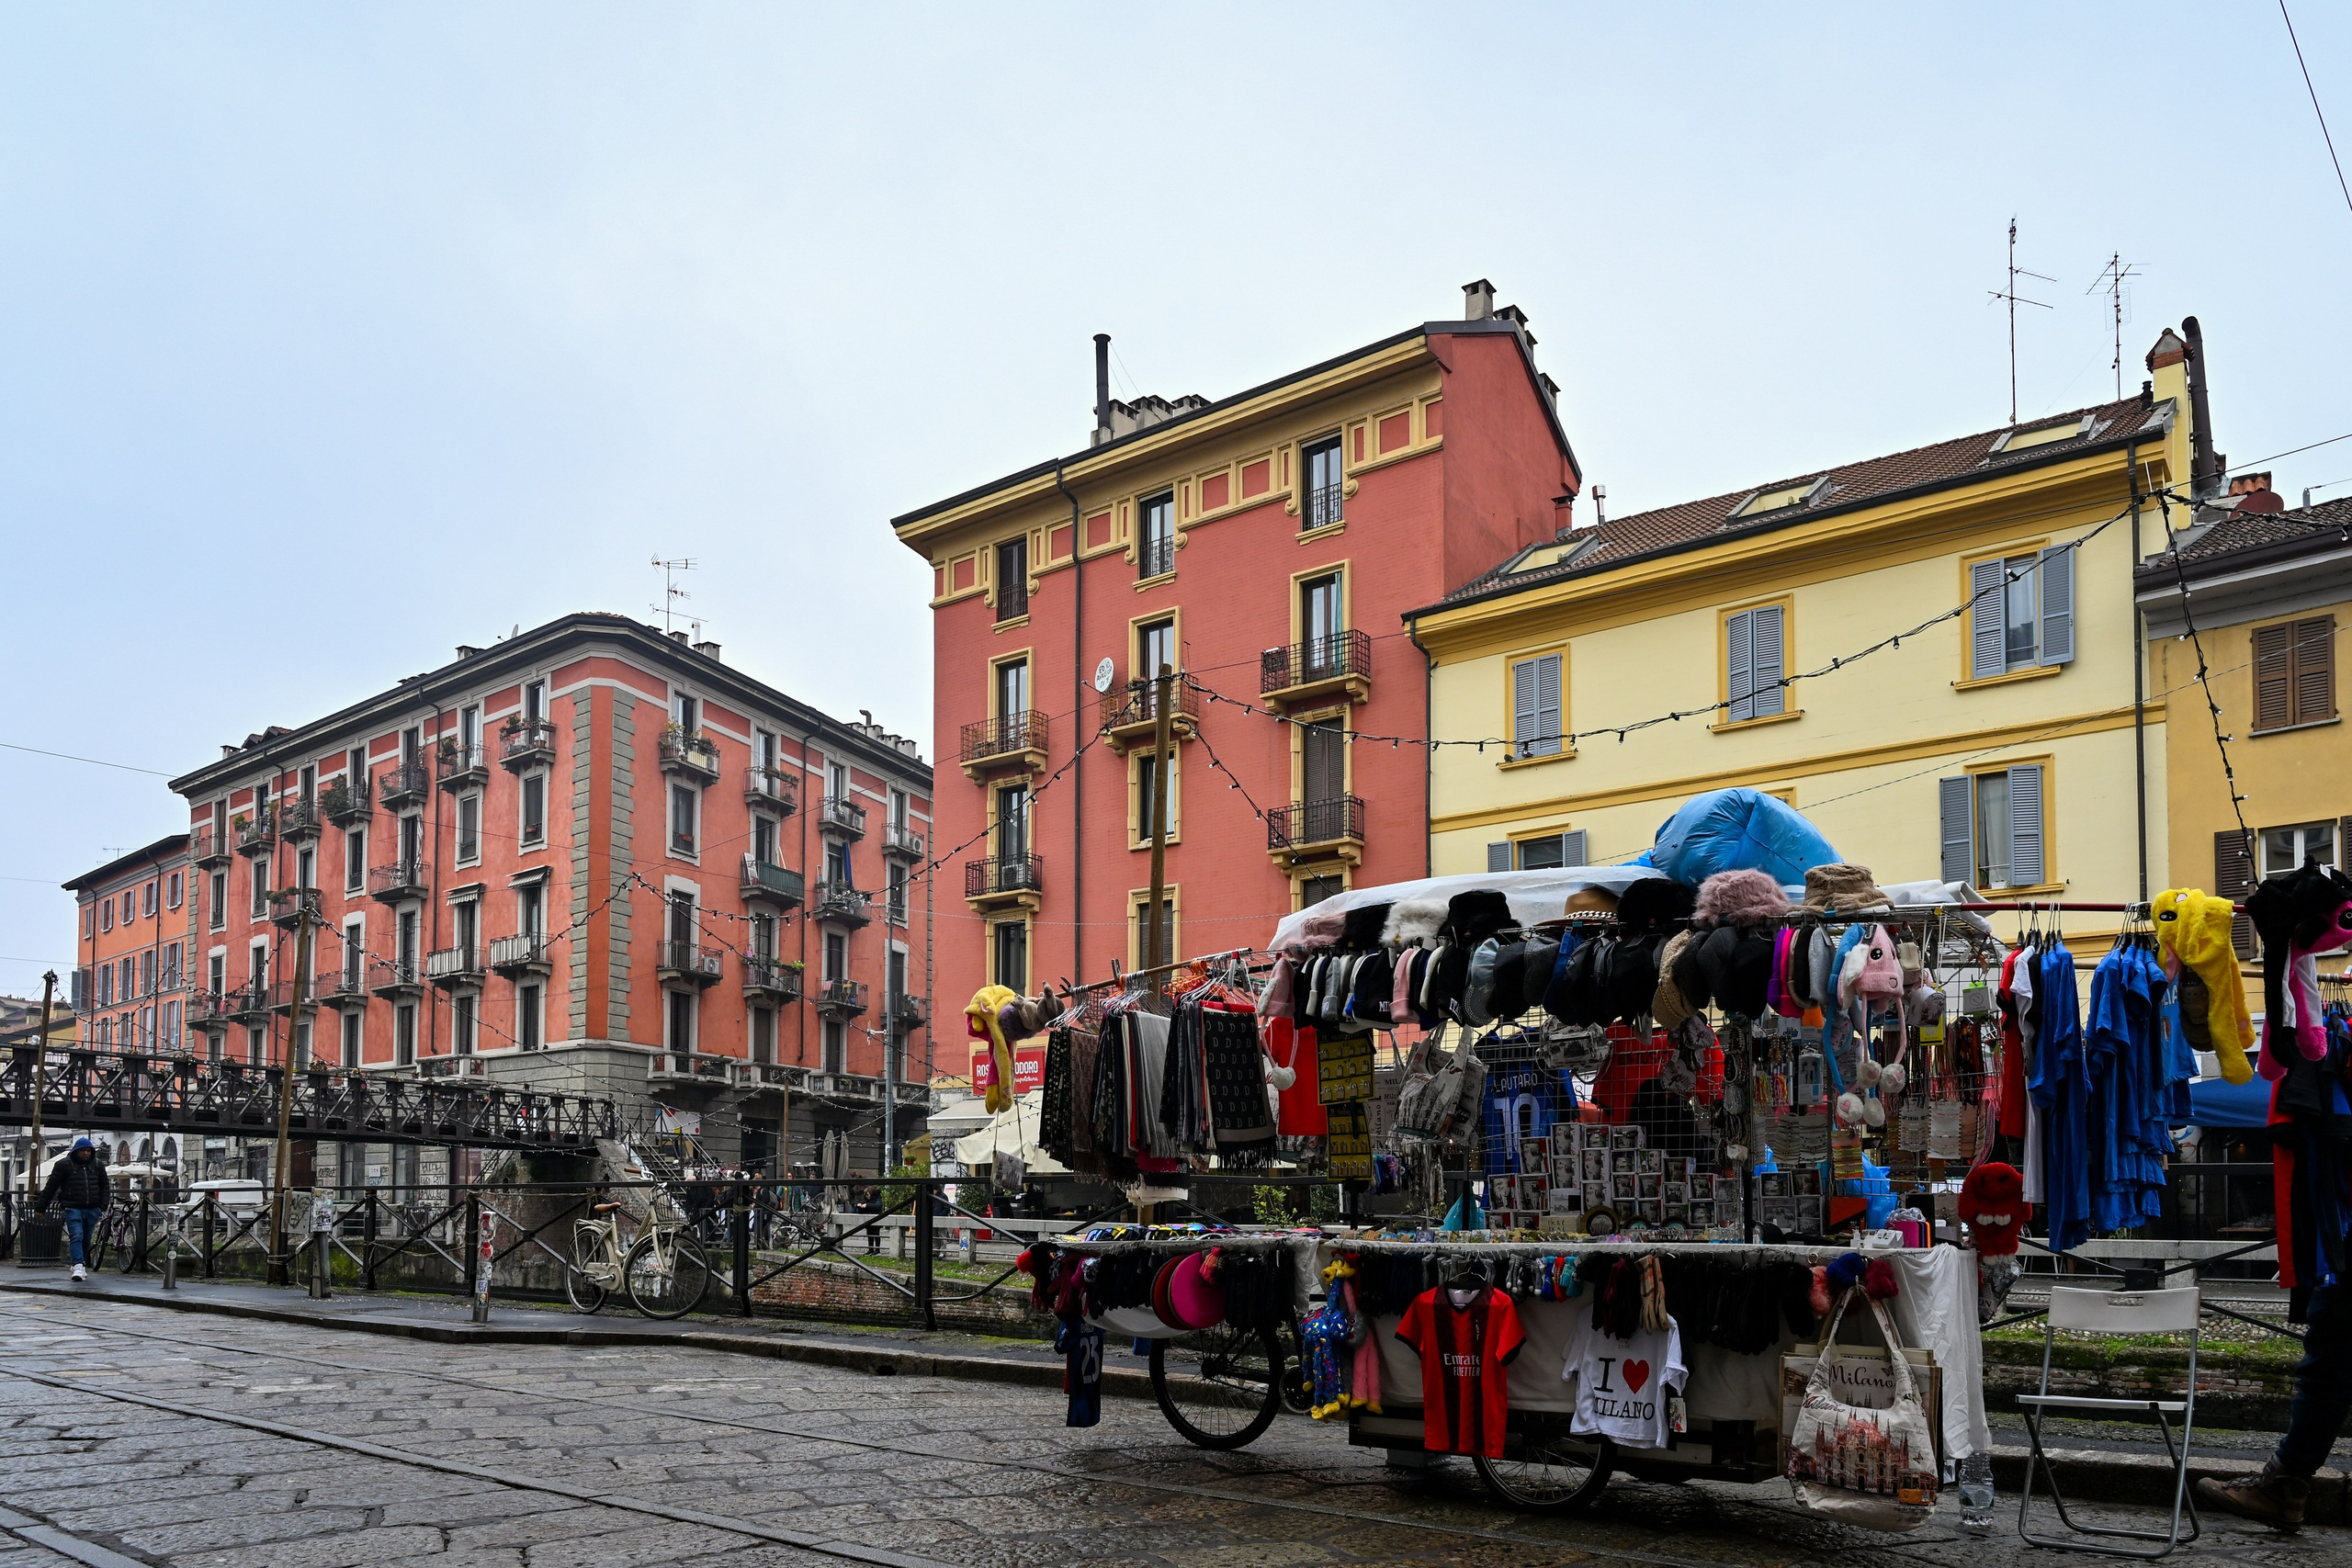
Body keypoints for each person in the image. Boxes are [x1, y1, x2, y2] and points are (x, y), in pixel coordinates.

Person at [34, 1135, 111, 1281]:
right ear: (76, 1151)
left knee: (87, 1239)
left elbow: (105, 1186)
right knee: (76, 1236)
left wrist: (102, 1206)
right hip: (72, 1207)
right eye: (83, 1151)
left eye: (88, 1151)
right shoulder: (64, 1165)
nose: (86, 1153)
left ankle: (80, 1263)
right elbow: (51, 1187)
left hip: (92, 1208)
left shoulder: (98, 1165)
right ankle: (78, 1266)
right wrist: (41, 1208)